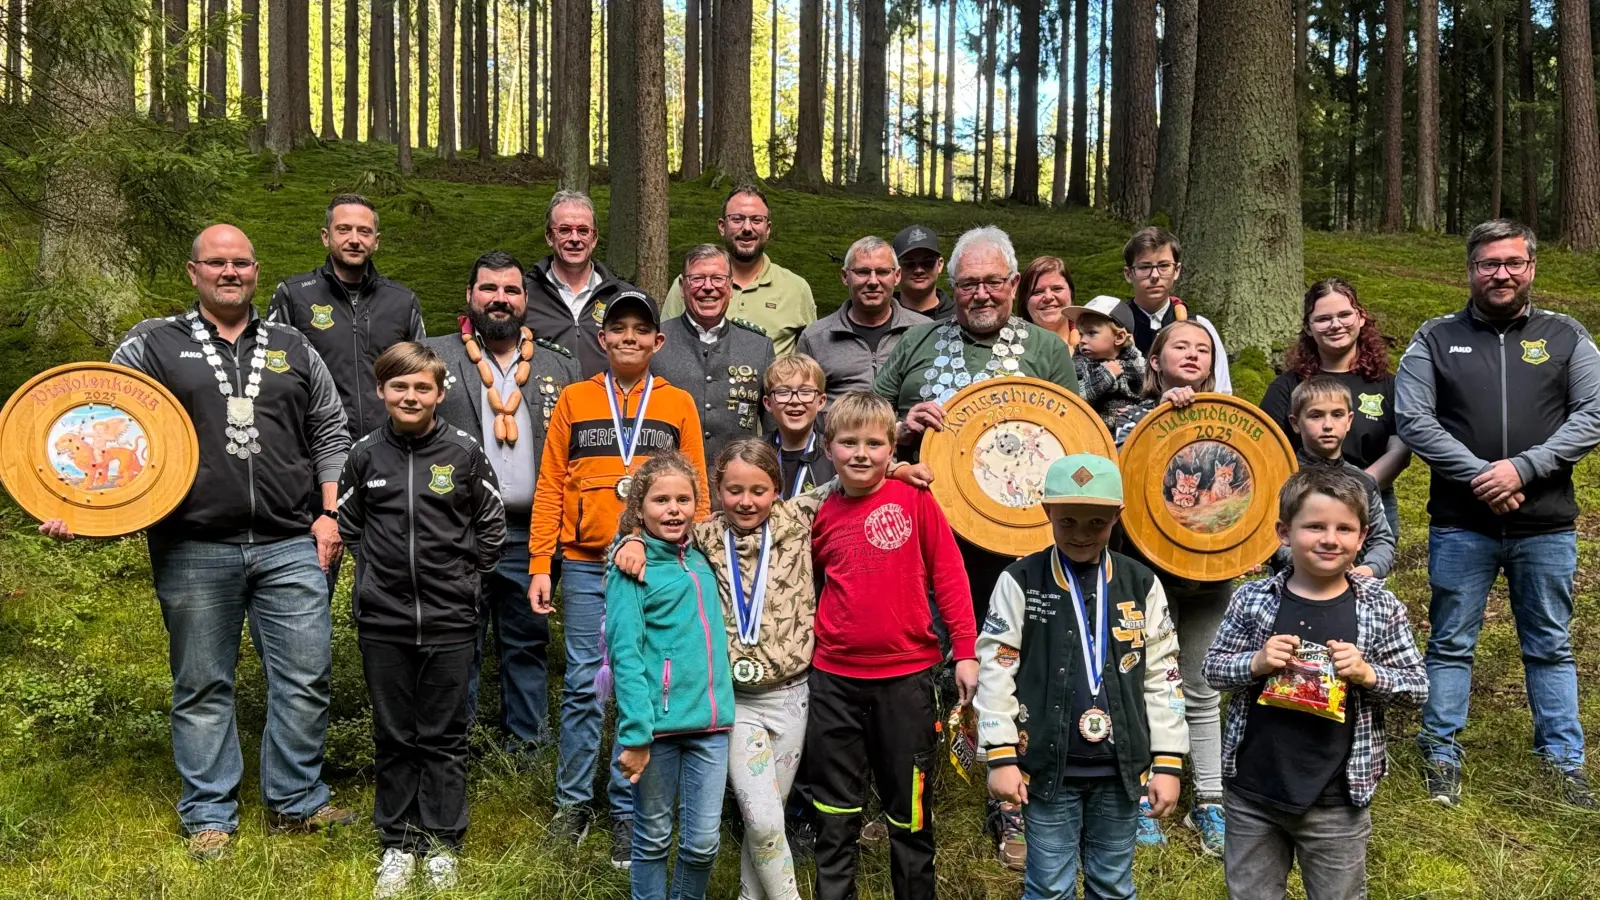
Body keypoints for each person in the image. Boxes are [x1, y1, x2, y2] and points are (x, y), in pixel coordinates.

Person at [40, 225, 356, 858]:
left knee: (304, 676)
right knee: (203, 682)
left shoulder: (294, 347)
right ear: (194, 272)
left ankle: (296, 800)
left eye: (241, 262)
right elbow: (100, 425)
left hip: (290, 539)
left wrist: (329, 515)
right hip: (192, 544)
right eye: (217, 263)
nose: (229, 272)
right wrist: (75, 505)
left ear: (256, 271)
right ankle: (209, 812)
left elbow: (329, 430)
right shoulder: (153, 345)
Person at [611, 440, 934, 900]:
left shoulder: (800, 517)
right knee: (761, 818)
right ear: (717, 492)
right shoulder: (702, 537)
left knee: (770, 816)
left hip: (794, 696)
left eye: (759, 490)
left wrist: (897, 468)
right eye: (735, 490)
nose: (747, 501)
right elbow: (659, 529)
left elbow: (851, 477)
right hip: (734, 703)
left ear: (778, 490)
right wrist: (631, 542)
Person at [1397, 219, 1600, 808]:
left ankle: (1564, 759)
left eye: (1513, 262)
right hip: (1462, 524)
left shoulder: (1568, 337)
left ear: (1532, 268)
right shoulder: (1434, 338)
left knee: (1551, 645)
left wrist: (1524, 469)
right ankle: (1440, 752)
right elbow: (1414, 419)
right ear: (1470, 270)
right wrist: (1484, 477)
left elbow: (1591, 416)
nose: (1501, 273)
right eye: (1489, 263)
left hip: (1546, 524)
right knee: (1452, 642)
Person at [528, 291, 711, 866]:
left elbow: (698, 488)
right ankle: (572, 805)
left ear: (659, 341)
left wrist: (690, 561)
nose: (629, 338)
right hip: (586, 562)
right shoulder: (577, 400)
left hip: (655, 565)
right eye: (618, 329)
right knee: (584, 685)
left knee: (640, 683)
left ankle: (627, 810)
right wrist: (541, 563)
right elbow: (551, 482)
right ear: (601, 339)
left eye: (641, 330)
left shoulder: (677, 403)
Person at [1204, 467, 1427, 899]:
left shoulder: (1380, 607)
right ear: (1284, 533)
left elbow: (1417, 689)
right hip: (1253, 792)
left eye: (1344, 528)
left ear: (1362, 538)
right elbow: (1212, 670)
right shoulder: (1253, 599)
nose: (1330, 539)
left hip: (1337, 801)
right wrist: (1256, 662)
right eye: (1315, 527)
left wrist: (1368, 673)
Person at [337, 343, 507, 898]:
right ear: (382, 391)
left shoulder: (463, 453)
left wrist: (463, 582)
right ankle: (397, 842)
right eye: (399, 387)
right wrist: (378, 578)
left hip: (450, 620)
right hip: (383, 621)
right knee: (394, 734)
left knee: (443, 735)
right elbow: (351, 525)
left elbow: (491, 527)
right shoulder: (363, 456)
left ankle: (441, 843)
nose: (411, 397)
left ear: (440, 393)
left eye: (422, 388)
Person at [977, 453, 1188, 899]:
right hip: (1047, 769)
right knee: (1048, 886)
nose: (1081, 534)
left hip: (1120, 769)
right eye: (1068, 520)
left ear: (1117, 517)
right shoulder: (1020, 581)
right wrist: (1000, 753)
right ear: (1047, 513)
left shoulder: (1141, 583)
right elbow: (996, 671)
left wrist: (1168, 762)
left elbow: (1164, 676)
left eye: (1097, 523)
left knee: (1112, 885)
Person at [804, 392, 977, 900]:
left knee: (911, 815)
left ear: (892, 448)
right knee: (835, 817)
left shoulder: (914, 499)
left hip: (907, 681)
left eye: (874, 444)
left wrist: (964, 650)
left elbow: (948, 574)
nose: (861, 453)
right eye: (848, 442)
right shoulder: (817, 514)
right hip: (834, 683)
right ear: (829, 448)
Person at [425, 250, 580, 750]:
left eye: (510, 290)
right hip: (455, 529)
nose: (500, 299)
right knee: (455, 641)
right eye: (488, 289)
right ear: (470, 296)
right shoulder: (434, 357)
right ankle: (453, 745)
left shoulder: (560, 364)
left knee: (527, 641)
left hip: (530, 534)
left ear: (525, 300)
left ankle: (527, 746)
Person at [1108, 320, 1229, 855]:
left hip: (1210, 575)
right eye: (1181, 345)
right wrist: (1160, 418)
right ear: (1153, 360)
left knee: (1202, 688)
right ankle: (1140, 796)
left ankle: (1210, 800)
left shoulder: (1231, 422)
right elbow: (1116, 474)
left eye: (1203, 349)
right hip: (1143, 573)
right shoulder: (1127, 415)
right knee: (1139, 685)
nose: (1194, 354)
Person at [605, 452, 736, 900]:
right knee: (653, 838)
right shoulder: (631, 569)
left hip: (712, 728)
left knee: (702, 845)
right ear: (639, 509)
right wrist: (636, 735)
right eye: (661, 500)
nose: (674, 509)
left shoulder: (703, 558)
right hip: (656, 732)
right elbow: (624, 654)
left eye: (684, 499)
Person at [267, 194, 427, 441]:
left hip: (390, 448)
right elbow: (273, 378)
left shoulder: (403, 302)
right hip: (315, 447)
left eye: (364, 232)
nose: (354, 240)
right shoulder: (293, 295)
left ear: (376, 241)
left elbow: (421, 376)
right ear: (325, 236)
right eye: (343, 230)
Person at [1260, 278, 1409, 537]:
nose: (1336, 325)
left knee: (1366, 576)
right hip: (1302, 508)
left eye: (1344, 315)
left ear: (1361, 318)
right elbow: (1266, 452)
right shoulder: (1287, 386)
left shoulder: (1387, 385)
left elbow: (1400, 449)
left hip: (1371, 503)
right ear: (1308, 327)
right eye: (1324, 318)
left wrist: (1359, 486)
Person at [650, 244, 777, 465]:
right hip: (669, 482)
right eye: (697, 279)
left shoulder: (758, 347)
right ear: (682, 286)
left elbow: (772, 430)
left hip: (737, 485)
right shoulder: (655, 342)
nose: (708, 287)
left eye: (718, 279)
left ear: (730, 286)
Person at [663, 185, 818, 356]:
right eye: (737, 219)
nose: (747, 228)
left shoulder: (796, 288)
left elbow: (810, 362)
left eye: (756, 220)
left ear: (767, 228)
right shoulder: (692, 284)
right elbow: (666, 344)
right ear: (722, 226)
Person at [1267, 376, 1396, 580]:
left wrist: (1369, 569)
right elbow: (1271, 539)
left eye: (1337, 415)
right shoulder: (1281, 478)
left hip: (1353, 590)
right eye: (1316, 416)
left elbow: (1382, 540)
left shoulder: (1363, 481)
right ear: (1295, 423)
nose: (1328, 425)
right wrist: (1326, 565)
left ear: (1349, 421)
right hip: (1291, 589)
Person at [523, 190, 643, 377]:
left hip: (608, 404)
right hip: (544, 405)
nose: (575, 239)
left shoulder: (623, 298)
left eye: (583, 231)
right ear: (549, 236)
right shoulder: (522, 296)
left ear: (594, 238)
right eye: (564, 230)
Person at [797, 235, 931, 400]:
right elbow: (801, 402)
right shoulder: (815, 338)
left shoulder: (925, 332)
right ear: (845, 276)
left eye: (882, 272)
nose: (873, 281)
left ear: (897, 276)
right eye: (862, 272)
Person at [1119, 227, 1232, 395]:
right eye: (1144, 267)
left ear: (1177, 270)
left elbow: (1221, 391)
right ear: (1128, 274)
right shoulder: (1113, 325)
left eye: (1164, 265)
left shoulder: (1200, 327)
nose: (1155, 275)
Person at [1064, 295, 1145, 426]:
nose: (1083, 340)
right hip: (1091, 434)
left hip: (1129, 435)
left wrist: (1139, 412)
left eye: (1091, 333)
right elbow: (1074, 398)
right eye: (1081, 334)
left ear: (1119, 337)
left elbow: (1152, 397)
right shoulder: (1079, 365)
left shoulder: (1138, 365)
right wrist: (1106, 375)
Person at [763, 354, 836, 498]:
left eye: (805, 392)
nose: (795, 400)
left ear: (821, 402)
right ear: (768, 403)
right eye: (783, 392)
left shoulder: (835, 456)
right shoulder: (753, 455)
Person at [892, 224, 955, 321]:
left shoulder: (959, 317)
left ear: (940, 265)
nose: (919, 270)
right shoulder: (881, 316)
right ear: (896, 269)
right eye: (909, 263)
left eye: (928, 263)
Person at [1017, 255, 1078, 347]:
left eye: (1057, 289)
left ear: (1071, 293)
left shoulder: (1100, 341)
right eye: (1037, 292)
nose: (1048, 297)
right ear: (1024, 301)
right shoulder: (1012, 348)